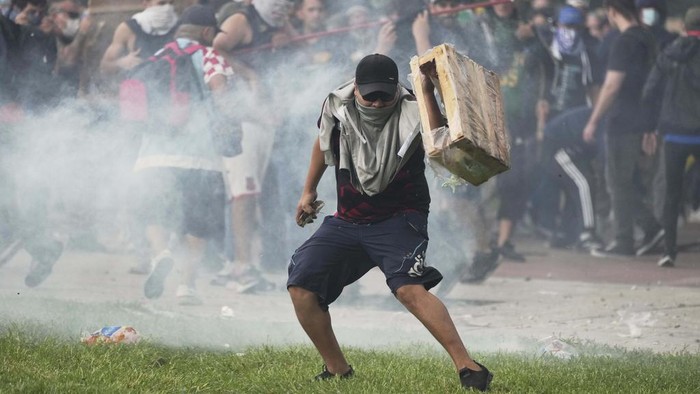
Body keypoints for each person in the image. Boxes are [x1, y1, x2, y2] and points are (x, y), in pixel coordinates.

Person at [287, 54, 493, 391]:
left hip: (400, 218)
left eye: (385, 94)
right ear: (357, 90)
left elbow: (446, 140)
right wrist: (308, 190)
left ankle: (469, 368)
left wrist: (428, 90)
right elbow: (323, 144)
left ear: (396, 89)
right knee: (301, 285)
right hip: (348, 219)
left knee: (409, 289)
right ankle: (337, 369)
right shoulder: (338, 107)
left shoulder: (415, 109)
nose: (378, 102)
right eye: (371, 95)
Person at [135, 4, 234, 305]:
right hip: (200, 157)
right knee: (198, 220)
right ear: (206, 32)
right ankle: (186, 286)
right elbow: (221, 94)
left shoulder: (155, 56)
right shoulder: (209, 55)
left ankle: (159, 254)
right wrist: (230, 124)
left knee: (155, 210)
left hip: (153, 154)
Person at [582, 0, 663, 257]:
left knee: (617, 181)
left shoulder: (623, 41)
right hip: (644, 119)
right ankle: (651, 229)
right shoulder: (648, 38)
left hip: (622, 120)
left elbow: (611, 85)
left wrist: (594, 120)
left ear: (612, 11)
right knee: (630, 181)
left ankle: (624, 240)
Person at [642, 6, 700, 268]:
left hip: (674, 134)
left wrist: (651, 125)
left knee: (671, 193)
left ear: (684, 27)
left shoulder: (669, 53)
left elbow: (650, 90)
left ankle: (669, 251)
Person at [100, 0, 178, 76]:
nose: (167, 8)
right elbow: (105, 66)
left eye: (171, 3)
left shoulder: (179, 26)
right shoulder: (128, 28)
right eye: (161, 3)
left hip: (175, 84)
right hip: (138, 85)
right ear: (146, 3)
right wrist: (121, 63)